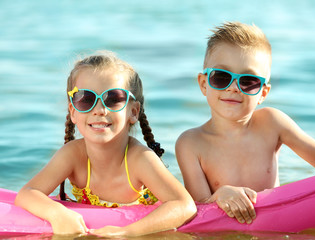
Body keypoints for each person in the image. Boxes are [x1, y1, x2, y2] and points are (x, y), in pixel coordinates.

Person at [176, 21, 315, 226]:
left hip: (279, 223)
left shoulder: (272, 123)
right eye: (221, 77)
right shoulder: (190, 143)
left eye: (248, 81)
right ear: (204, 83)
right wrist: (220, 194)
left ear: (263, 93)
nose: (234, 87)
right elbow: (196, 210)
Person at [15, 51, 196, 237]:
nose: (99, 110)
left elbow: (184, 205)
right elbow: (27, 193)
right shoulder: (73, 155)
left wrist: (127, 232)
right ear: (73, 111)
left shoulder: (140, 159)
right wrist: (57, 213)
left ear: (133, 112)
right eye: (85, 99)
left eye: (114, 99)